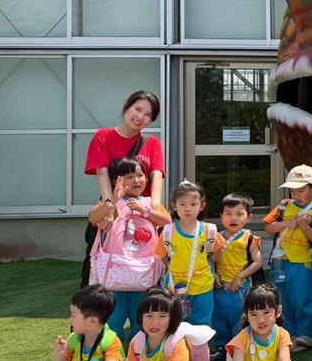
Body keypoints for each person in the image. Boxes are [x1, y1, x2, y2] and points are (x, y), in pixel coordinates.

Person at [81, 90, 166, 287]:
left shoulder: (152, 143)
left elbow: (157, 176)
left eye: (148, 115)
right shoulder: (103, 136)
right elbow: (102, 174)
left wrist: (154, 210)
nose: (141, 117)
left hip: (142, 213)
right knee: (97, 264)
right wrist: (110, 208)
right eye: (138, 109)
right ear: (127, 107)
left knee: (147, 268)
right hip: (113, 206)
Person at [86, 156, 171, 343]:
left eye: (140, 175)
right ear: (116, 180)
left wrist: (144, 211)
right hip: (116, 276)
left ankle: (137, 352)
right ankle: (113, 353)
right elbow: (93, 217)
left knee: (140, 319)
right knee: (113, 319)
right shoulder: (112, 203)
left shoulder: (149, 203)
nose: (136, 180)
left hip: (143, 274)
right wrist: (113, 200)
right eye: (129, 176)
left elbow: (167, 221)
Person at [263, 164, 312, 349]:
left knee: (303, 298)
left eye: (300, 190)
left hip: (302, 262)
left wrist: (305, 226)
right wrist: (287, 223)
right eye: (292, 190)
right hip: (279, 261)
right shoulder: (284, 206)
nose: (296, 195)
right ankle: (288, 333)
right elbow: (268, 227)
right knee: (282, 298)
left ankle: (305, 334)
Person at [156, 180, 222, 333]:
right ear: (174, 206)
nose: (188, 209)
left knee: (202, 324)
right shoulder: (168, 232)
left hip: (203, 286)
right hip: (175, 287)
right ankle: (178, 348)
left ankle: (200, 348)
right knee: (175, 324)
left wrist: (210, 266)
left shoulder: (209, 230)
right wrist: (171, 270)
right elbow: (162, 256)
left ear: (202, 206)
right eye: (182, 204)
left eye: (193, 204)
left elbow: (218, 250)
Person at [212, 194, 263, 355]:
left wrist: (240, 276)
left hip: (241, 289)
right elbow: (210, 260)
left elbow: (257, 262)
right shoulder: (216, 237)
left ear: (249, 217)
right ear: (221, 216)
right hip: (220, 288)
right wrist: (214, 274)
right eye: (228, 213)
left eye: (239, 214)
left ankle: (238, 348)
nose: (233, 218)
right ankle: (221, 347)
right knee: (219, 319)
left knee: (239, 319)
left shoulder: (250, 238)